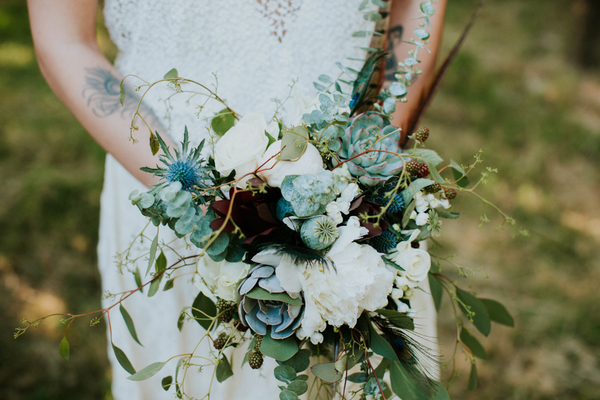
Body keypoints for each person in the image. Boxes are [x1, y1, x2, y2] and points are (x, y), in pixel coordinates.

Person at [28, 0, 447, 398]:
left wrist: (366, 161)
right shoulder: (186, 198)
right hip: (172, 195)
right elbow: (63, 40)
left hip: (351, 201)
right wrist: (199, 198)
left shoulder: (356, 185)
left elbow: (415, 8)